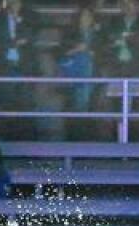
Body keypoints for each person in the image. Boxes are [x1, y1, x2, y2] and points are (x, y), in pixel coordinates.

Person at [59, 3, 100, 138]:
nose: (86, 19)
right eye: (83, 17)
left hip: (93, 77)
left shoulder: (98, 34)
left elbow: (106, 52)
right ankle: (73, 138)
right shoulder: (69, 33)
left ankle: (89, 140)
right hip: (74, 76)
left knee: (90, 108)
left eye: (88, 17)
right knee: (75, 107)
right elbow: (59, 52)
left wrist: (94, 53)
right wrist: (76, 50)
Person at [98, 0, 139, 79]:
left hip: (138, 67)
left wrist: (130, 39)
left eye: (131, 3)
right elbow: (105, 43)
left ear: (138, 6)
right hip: (114, 67)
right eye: (125, 4)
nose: (128, 6)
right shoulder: (112, 22)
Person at [0, 0, 40, 77]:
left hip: (25, 55)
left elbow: (32, 35)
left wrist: (17, 18)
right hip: (3, 55)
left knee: (29, 67)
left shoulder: (31, 16)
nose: (13, 3)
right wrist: (10, 45)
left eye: (16, 2)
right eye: (10, 2)